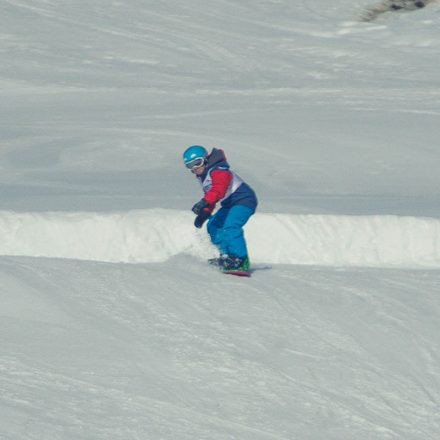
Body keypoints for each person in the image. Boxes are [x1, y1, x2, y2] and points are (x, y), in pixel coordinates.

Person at [182, 145, 258, 272]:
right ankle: (227, 256)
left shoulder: (219, 170)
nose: (195, 168)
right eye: (190, 166)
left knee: (230, 226)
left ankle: (240, 260)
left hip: (244, 200)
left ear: (205, 159)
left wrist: (203, 202)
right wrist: (204, 213)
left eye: (197, 162)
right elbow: (212, 196)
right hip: (229, 204)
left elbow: (219, 190)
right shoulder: (204, 177)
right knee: (213, 225)